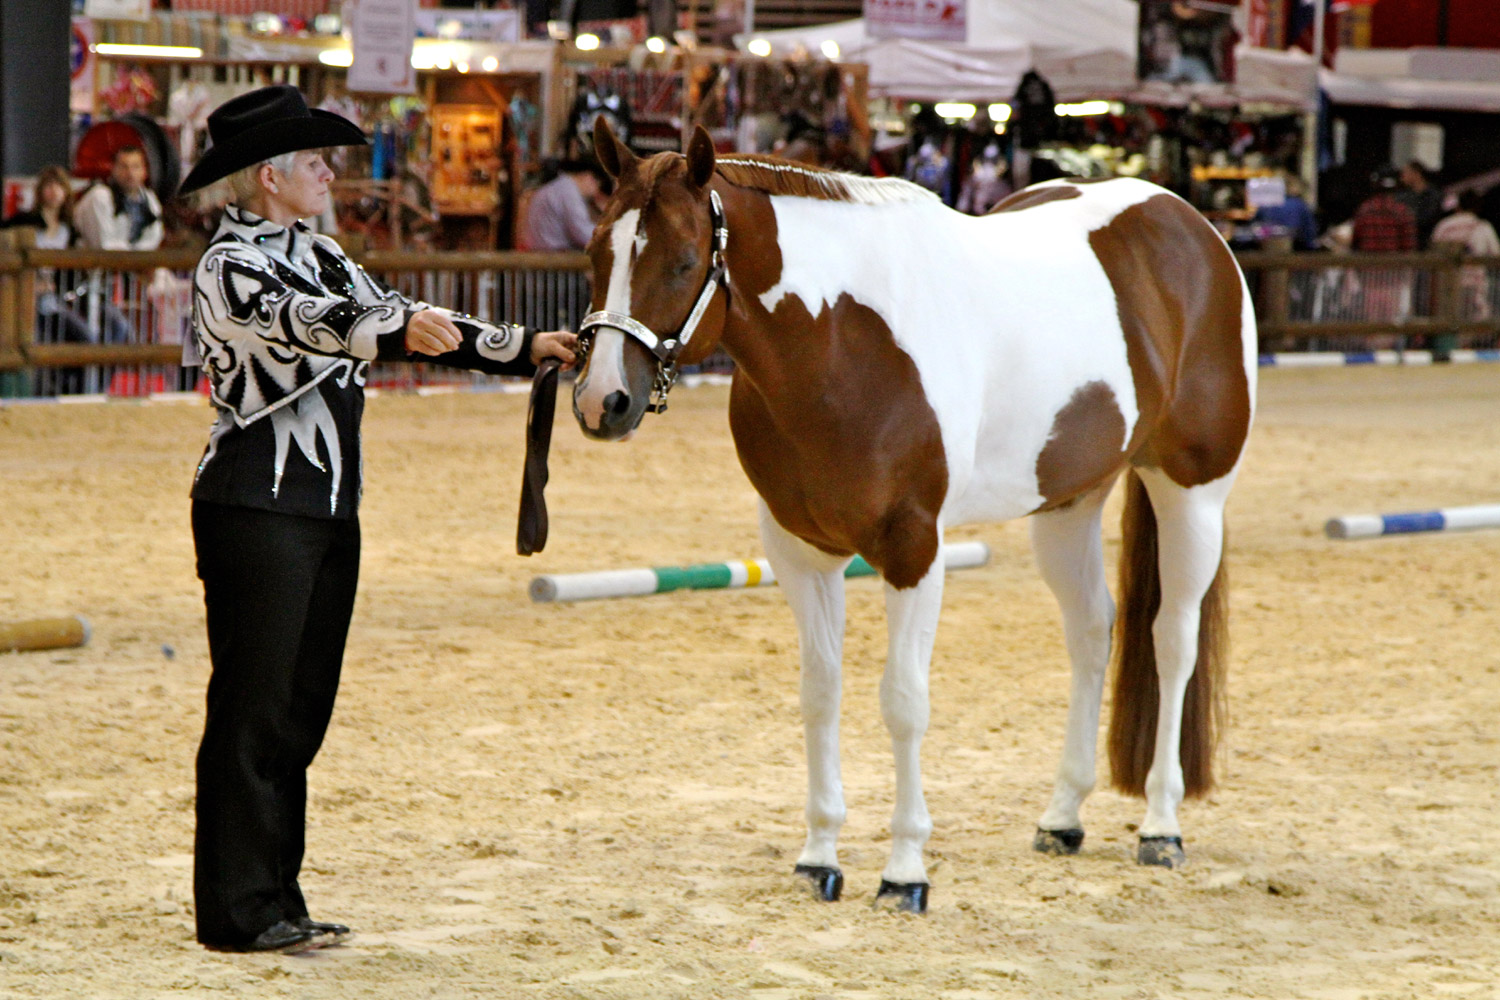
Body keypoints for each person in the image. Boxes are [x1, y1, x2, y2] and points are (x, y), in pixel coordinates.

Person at [176, 85, 577, 955]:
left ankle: (276, 895)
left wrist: (523, 349)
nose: (329, 172)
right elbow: (310, 324)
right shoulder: (228, 266)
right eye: (314, 160)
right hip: (255, 510)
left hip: (324, 511)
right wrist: (393, 329)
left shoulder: (323, 254)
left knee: (299, 711)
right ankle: (237, 910)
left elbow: (413, 323)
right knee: (253, 707)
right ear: (269, 175)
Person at [73, 145, 164, 252]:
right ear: (113, 169)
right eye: (124, 167)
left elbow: (154, 239)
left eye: (136, 167)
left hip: (139, 264)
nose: (130, 173)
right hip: (97, 264)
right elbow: (104, 245)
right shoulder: (99, 196)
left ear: (144, 171)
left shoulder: (149, 198)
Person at [1430, 190, 1500, 320]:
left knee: (1447, 324)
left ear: (1458, 206)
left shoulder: (1443, 226)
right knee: (1473, 323)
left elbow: (1432, 254)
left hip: (1445, 285)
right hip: (1475, 285)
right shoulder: (1483, 227)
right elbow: (1496, 256)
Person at [518, 160, 606, 251]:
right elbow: (582, 233)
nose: (595, 192)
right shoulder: (568, 192)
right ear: (589, 177)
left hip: (541, 251)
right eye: (597, 186)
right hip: (551, 256)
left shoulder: (560, 186)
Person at [1253, 174, 1320, 251]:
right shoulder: (1299, 205)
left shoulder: (1266, 204)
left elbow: (1254, 226)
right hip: (1294, 249)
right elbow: (1309, 232)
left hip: (1266, 249)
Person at [1398, 161, 1444, 249]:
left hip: (1427, 243)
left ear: (1416, 173)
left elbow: (1429, 217)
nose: (1402, 178)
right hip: (1409, 243)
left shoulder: (1433, 195)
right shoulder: (1403, 197)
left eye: (1405, 173)